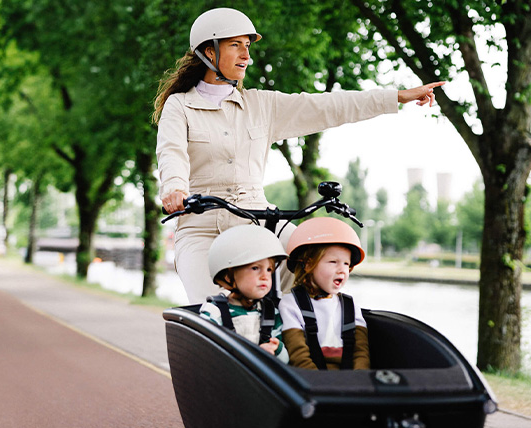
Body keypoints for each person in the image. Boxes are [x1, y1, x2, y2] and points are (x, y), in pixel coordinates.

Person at [152, 7, 445, 303]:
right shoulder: (179, 106)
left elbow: (329, 105)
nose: (246, 55)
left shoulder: (261, 105)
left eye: (248, 46)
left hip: (258, 218)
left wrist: (396, 96)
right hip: (201, 224)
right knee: (211, 306)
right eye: (235, 45)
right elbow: (171, 152)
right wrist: (174, 188)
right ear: (209, 52)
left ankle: (314, 339)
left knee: (314, 264)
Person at [279, 217, 370, 370]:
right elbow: (298, 355)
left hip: (350, 381)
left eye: (346, 264)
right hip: (313, 382)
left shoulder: (350, 305)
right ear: (308, 265)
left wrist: (358, 380)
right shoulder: (291, 304)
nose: (342, 269)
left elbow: (361, 353)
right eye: (333, 262)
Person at [199, 224, 289, 363]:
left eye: (269, 270)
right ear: (229, 276)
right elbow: (204, 353)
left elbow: (286, 360)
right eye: (255, 268)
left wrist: (276, 349)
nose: (265, 276)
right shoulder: (215, 311)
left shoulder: (271, 312)